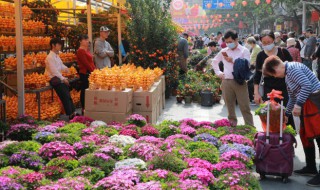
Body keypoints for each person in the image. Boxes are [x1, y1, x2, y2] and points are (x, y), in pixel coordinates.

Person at [262, 55, 320, 187]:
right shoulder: (288, 74)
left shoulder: (292, 69)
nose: (276, 77)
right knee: (306, 136)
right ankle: (311, 167)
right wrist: (286, 113)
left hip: (315, 101)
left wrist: (298, 105)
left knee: (318, 136)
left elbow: (307, 86)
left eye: (274, 74)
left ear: (276, 67)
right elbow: (292, 97)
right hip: (307, 103)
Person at [211, 30, 254, 126]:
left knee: (245, 106)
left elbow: (247, 65)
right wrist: (218, 73)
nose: (228, 44)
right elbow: (214, 61)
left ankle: (250, 127)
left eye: (230, 42)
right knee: (229, 106)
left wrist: (233, 60)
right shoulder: (224, 51)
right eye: (226, 42)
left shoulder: (244, 50)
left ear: (236, 40)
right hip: (226, 81)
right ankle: (232, 127)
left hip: (240, 81)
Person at [253, 30, 295, 127]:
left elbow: (292, 68)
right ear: (261, 42)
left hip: (285, 88)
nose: (267, 44)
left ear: (274, 40)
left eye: (269, 42)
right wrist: (256, 93)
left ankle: (288, 138)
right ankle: (272, 138)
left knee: (286, 115)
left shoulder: (283, 52)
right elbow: (257, 75)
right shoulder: (260, 55)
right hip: (269, 90)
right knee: (270, 115)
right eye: (264, 43)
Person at [45, 38, 77, 120]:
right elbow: (54, 71)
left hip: (58, 77)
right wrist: (63, 79)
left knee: (67, 93)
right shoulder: (49, 57)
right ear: (53, 45)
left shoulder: (56, 56)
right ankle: (70, 114)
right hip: (53, 78)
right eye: (58, 44)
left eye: (60, 44)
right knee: (65, 94)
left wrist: (68, 69)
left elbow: (61, 65)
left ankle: (73, 112)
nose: (60, 46)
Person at [76, 35, 96, 113]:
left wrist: (95, 70)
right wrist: (93, 71)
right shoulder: (80, 51)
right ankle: (84, 108)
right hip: (85, 73)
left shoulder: (86, 50)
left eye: (87, 40)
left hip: (90, 72)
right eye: (85, 40)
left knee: (87, 90)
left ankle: (87, 107)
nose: (87, 41)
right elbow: (86, 64)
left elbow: (91, 62)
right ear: (80, 41)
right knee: (84, 90)